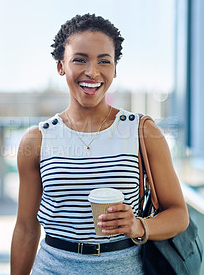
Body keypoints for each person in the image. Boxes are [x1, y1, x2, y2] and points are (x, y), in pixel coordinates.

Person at [11, 13, 189, 275]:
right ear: (61, 65)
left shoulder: (142, 131)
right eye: (79, 59)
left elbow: (178, 214)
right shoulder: (38, 139)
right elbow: (26, 228)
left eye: (104, 61)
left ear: (115, 69)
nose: (92, 72)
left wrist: (138, 226)